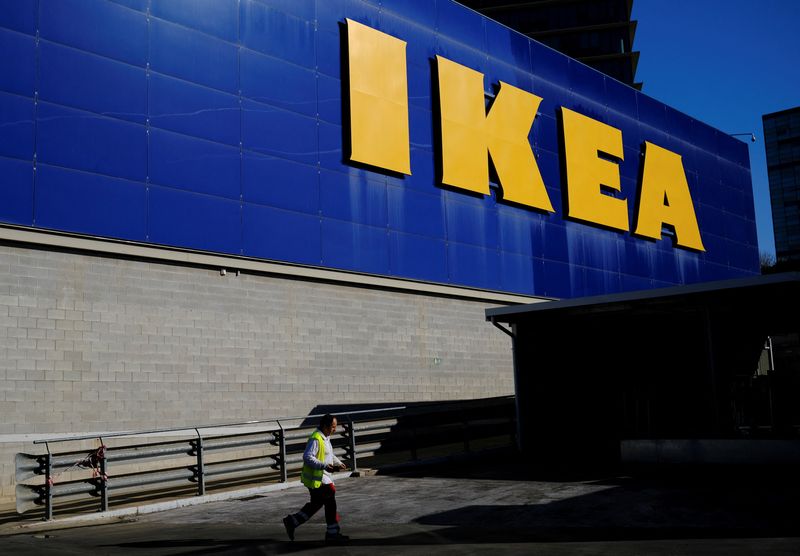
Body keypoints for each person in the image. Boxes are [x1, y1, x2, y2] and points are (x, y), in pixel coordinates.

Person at [283, 414, 349, 543]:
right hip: (320, 479)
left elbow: (329, 454)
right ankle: (332, 534)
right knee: (330, 502)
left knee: (316, 504)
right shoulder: (316, 439)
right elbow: (307, 457)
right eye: (333, 427)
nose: (335, 429)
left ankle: (293, 521)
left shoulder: (325, 437)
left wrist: (337, 462)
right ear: (325, 426)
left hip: (320, 478)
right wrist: (324, 466)